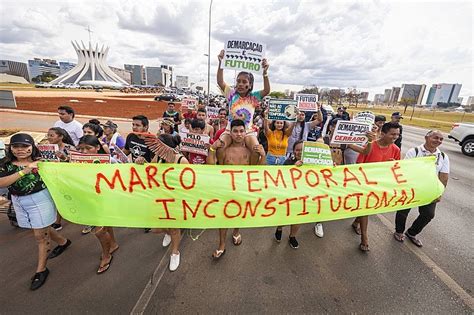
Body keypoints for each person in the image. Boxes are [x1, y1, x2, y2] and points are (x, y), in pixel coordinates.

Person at [0, 134, 71, 290]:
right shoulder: (5, 164)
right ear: (10, 148)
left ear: (32, 147)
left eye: (25, 146)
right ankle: (63, 242)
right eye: (16, 147)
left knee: (40, 235)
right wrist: (24, 171)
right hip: (19, 201)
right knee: (40, 226)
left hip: (41, 199)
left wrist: (63, 159)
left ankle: (41, 270)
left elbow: (64, 170)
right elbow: (1, 183)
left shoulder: (42, 161)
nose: (21, 150)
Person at [207, 119, 266, 259]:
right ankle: (221, 244)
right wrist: (212, 149)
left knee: (239, 214)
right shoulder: (224, 150)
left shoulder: (251, 151)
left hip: (243, 190)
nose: (239, 134)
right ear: (230, 133)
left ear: (245, 133)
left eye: (241, 131)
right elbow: (211, 167)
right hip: (226, 190)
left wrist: (263, 155)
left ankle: (236, 232)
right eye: (235, 131)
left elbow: (256, 170)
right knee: (223, 219)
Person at [394, 130, 449, 247]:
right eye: (435, 138)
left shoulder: (443, 156)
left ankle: (412, 233)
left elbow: (444, 176)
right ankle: (399, 231)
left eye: (441, 139)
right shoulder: (414, 152)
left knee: (428, 214)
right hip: (411, 188)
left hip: (429, 190)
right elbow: (405, 171)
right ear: (426, 138)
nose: (438, 141)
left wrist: (439, 192)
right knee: (403, 211)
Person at [352, 122, 401, 251]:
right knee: (366, 209)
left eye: (397, 134)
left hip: (380, 186)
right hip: (365, 184)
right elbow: (359, 164)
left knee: (369, 209)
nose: (395, 136)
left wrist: (393, 166)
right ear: (383, 133)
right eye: (392, 134)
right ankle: (364, 238)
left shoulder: (396, 150)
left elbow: (396, 170)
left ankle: (357, 222)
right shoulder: (370, 146)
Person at [216, 49, 270, 164]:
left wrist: (265, 72)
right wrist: (221, 62)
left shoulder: (253, 97)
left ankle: (250, 170)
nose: (240, 84)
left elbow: (267, 90)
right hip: (230, 130)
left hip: (248, 131)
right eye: (238, 81)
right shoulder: (231, 94)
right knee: (220, 147)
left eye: (244, 82)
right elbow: (220, 82)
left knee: (256, 150)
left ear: (250, 85)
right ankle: (220, 167)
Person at [76, 135, 119, 273]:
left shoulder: (109, 161)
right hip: (89, 199)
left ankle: (106, 255)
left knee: (99, 231)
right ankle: (112, 244)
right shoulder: (75, 163)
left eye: (88, 148)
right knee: (105, 226)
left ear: (97, 148)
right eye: (81, 149)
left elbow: (124, 173)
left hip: (107, 199)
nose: (84, 152)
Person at [148, 133, 189, 271]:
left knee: (174, 228)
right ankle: (168, 232)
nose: (155, 149)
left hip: (176, 200)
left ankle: (175, 252)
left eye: (157, 146)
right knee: (155, 229)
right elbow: (150, 172)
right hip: (160, 198)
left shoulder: (181, 161)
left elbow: (190, 181)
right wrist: (141, 163)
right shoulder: (158, 157)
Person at [274, 140, 304, 248]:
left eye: (302, 150)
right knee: (285, 215)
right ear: (294, 151)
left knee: (298, 218)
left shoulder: (313, 163)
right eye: (297, 150)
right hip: (288, 195)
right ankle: (279, 228)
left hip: (303, 197)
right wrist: (293, 168)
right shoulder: (288, 162)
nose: (299, 152)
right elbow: (281, 178)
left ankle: (292, 236)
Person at [46, 127, 76, 231]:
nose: (49, 137)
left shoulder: (69, 148)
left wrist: (65, 159)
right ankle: (57, 222)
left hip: (66, 178)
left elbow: (76, 163)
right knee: (56, 198)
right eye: (48, 135)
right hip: (52, 178)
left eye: (52, 135)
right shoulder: (46, 148)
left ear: (61, 137)